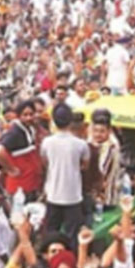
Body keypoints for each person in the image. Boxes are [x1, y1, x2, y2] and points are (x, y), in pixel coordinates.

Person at [41, 103, 90, 248]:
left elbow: (45, 162)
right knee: (72, 236)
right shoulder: (81, 144)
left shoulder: (47, 142)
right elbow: (85, 166)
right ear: (70, 121)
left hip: (53, 194)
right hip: (73, 196)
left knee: (51, 233)